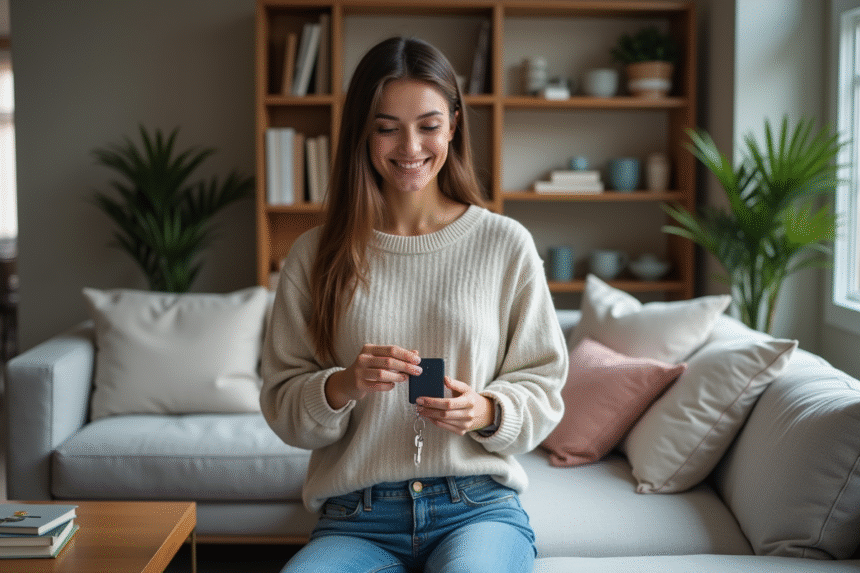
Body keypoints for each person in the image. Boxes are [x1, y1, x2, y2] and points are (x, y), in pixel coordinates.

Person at [260, 36, 568, 573]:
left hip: (476, 508)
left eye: (428, 125)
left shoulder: (505, 243)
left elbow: (544, 385)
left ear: (453, 126)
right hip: (356, 517)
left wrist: (488, 411)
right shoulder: (315, 254)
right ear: (362, 132)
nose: (410, 147)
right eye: (387, 128)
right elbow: (283, 401)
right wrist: (343, 385)